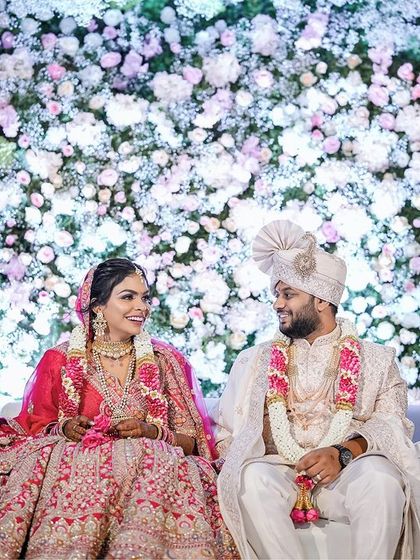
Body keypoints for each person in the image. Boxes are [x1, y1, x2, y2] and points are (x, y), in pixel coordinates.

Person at [0, 258, 238, 559]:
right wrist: (66, 427)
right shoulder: (59, 359)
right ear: (97, 306)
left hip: (154, 467)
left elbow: (193, 443)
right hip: (80, 467)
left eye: (145, 298)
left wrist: (153, 432)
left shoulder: (165, 361)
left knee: (153, 456)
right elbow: (35, 427)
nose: (142, 307)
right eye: (128, 297)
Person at [213, 220, 420, 559]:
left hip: (348, 473)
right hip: (280, 472)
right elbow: (227, 434)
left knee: (381, 480)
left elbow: (394, 424)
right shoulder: (254, 360)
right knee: (249, 480)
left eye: (288, 294)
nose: (278, 304)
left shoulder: (378, 359)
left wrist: (343, 452)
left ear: (322, 300)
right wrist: (247, 439)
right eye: (276, 295)